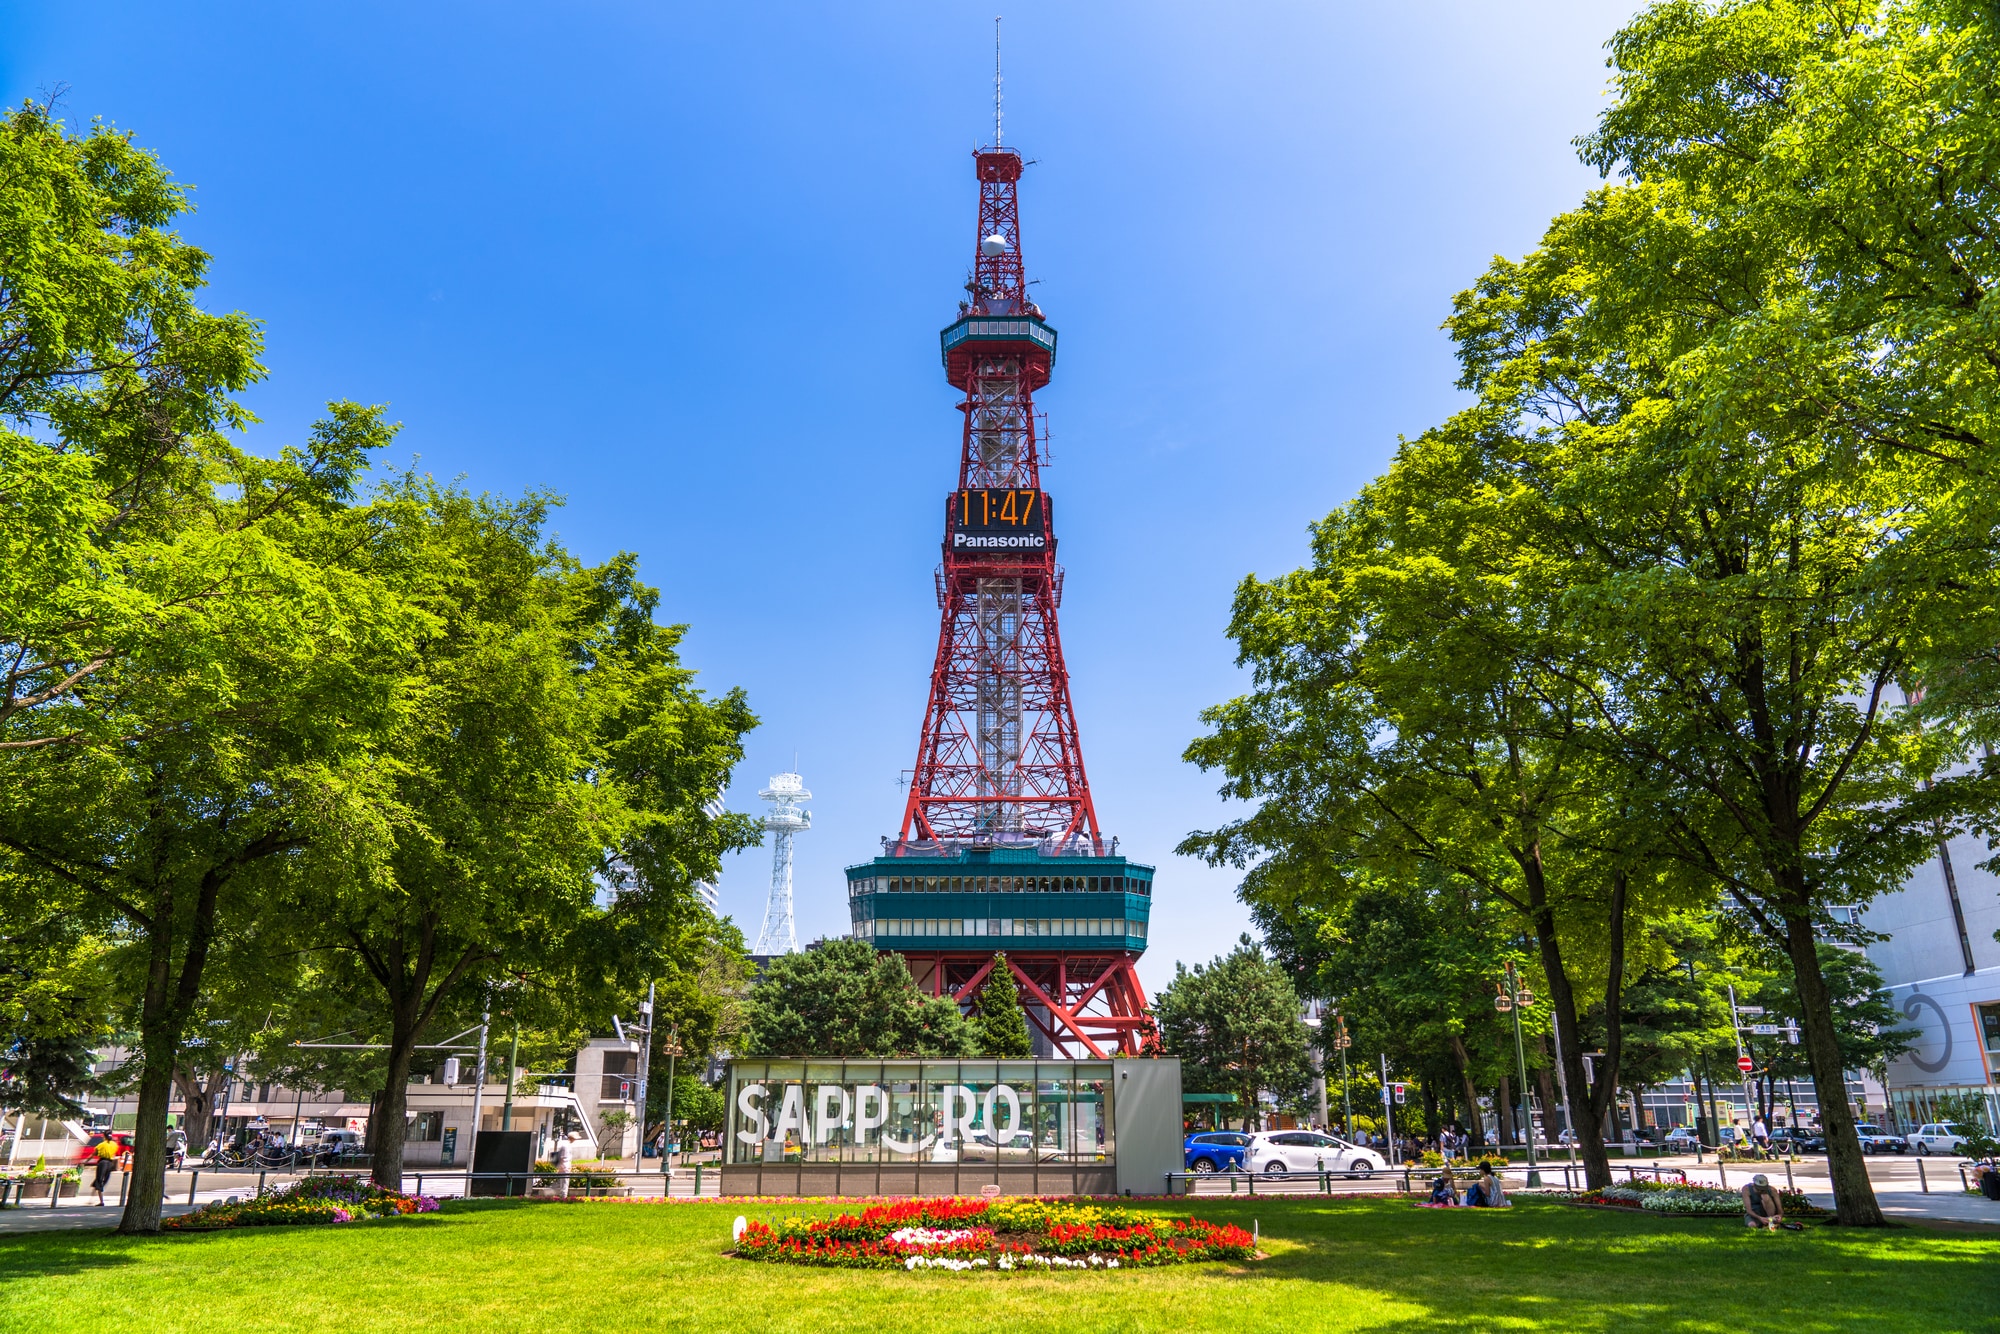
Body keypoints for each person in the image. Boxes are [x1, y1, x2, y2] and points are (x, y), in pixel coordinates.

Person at [88, 1135, 120, 1206]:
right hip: (110, 1164)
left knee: (99, 1181)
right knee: (100, 1181)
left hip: (102, 1163)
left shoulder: (101, 1145)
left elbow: (93, 1154)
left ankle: (101, 1201)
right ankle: (91, 1199)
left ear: (104, 1137)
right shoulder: (114, 1145)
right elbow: (115, 1154)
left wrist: (86, 1161)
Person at [553, 1130, 579, 1198]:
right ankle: (563, 1196)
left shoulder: (566, 1145)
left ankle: (562, 1195)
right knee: (564, 1182)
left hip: (564, 1166)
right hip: (565, 1167)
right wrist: (563, 1167)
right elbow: (563, 1157)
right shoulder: (566, 1146)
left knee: (562, 1182)